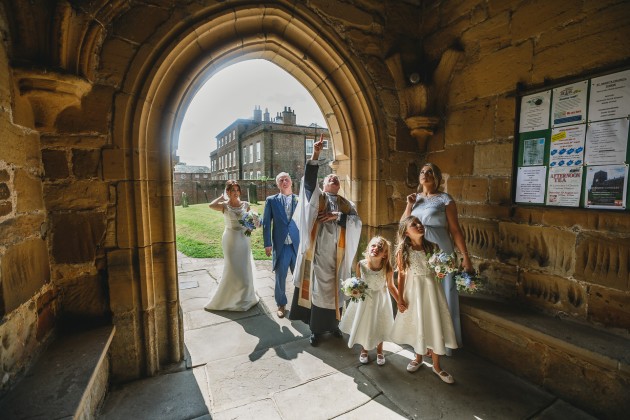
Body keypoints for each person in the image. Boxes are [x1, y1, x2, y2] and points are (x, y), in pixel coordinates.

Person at [289, 135, 362, 346]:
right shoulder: (317, 198)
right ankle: (316, 329)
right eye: (330, 178)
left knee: (336, 290)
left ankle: (334, 325)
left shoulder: (347, 205)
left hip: (336, 257)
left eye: (336, 179)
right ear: (324, 184)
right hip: (317, 253)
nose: (334, 180)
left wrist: (337, 216)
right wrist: (316, 154)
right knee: (316, 290)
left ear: (339, 186)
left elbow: (357, 224)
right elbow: (308, 184)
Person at [400, 163, 472, 351]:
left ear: (437, 177)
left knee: (443, 292)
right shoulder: (414, 199)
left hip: (440, 249)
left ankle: (444, 340)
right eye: (423, 172)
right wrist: (409, 205)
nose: (426, 175)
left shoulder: (445, 199)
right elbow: (403, 225)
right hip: (419, 250)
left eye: (430, 172)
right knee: (422, 291)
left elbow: (455, 230)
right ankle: (423, 339)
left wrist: (465, 257)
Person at [389, 216, 458, 383]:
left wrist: (441, 272)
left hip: (432, 290)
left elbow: (438, 269)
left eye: (419, 223)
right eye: (414, 224)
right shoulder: (403, 251)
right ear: (406, 232)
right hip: (415, 291)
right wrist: (399, 298)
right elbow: (401, 276)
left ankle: (437, 366)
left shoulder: (432, 247)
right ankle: (418, 358)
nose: (419, 226)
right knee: (419, 322)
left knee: (434, 321)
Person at [204, 180, 259, 311]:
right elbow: (211, 205)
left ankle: (245, 296)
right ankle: (228, 297)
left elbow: (250, 221)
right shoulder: (224, 205)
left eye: (237, 190)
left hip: (243, 239)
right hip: (230, 240)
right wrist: (221, 197)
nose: (235, 192)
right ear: (228, 192)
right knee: (232, 267)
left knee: (245, 266)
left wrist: (252, 226)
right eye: (232, 190)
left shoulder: (246, 204)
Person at [339, 236, 394, 365]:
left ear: (385, 254)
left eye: (380, 248)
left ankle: (380, 350)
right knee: (366, 324)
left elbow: (391, 286)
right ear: (368, 248)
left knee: (379, 324)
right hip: (364, 301)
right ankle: (364, 350)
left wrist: (401, 302)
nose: (376, 249)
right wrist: (353, 290)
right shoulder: (361, 264)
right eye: (373, 245)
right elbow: (358, 282)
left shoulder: (387, 268)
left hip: (381, 300)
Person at [262, 172, 300, 318]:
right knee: (280, 277)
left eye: (287, 179)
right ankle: (281, 304)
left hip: (296, 244)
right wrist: (267, 244)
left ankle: (300, 306)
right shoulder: (271, 201)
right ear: (277, 184)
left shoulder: (299, 200)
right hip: (281, 245)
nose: (284, 182)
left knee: (299, 277)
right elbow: (266, 223)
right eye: (281, 180)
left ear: (291, 182)